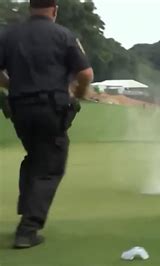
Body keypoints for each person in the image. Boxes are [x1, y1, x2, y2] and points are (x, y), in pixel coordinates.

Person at [0, 0, 94, 249]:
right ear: (54, 10)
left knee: (35, 157)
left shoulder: (9, 35)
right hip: (51, 108)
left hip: (20, 109)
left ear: (30, 8)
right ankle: (28, 229)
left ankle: (26, 209)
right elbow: (85, 74)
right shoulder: (63, 35)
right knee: (51, 165)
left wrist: (14, 86)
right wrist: (79, 94)